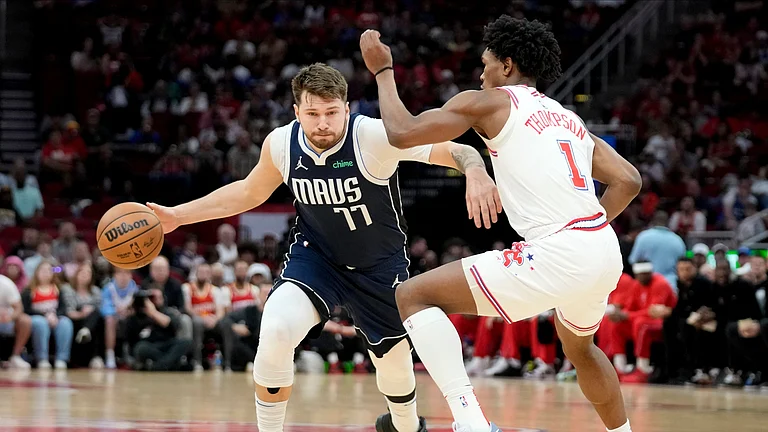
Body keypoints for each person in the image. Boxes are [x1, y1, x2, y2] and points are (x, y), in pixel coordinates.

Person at [147, 63, 499, 432]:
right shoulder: (281, 144)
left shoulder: (372, 136)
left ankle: (406, 426)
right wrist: (178, 215)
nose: (323, 123)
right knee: (276, 329)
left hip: (380, 266)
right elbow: (248, 192)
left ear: (347, 109)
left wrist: (475, 170)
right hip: (317, 259)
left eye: (332, 113)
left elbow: (455, 150)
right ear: (297, 111)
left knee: (394, 367)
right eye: (313, 114)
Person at [360, 15, 642, 432]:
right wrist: (585, 231)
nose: (481, 73)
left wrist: (382, 70)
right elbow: (629, 180)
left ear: (507, 66)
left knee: (412, 296)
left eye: (486, 63)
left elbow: (402, 133)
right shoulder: (569, 119)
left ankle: (470, 422)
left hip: (560, 249)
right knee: (580, 348)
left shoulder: (490, 102)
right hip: (602, 247)